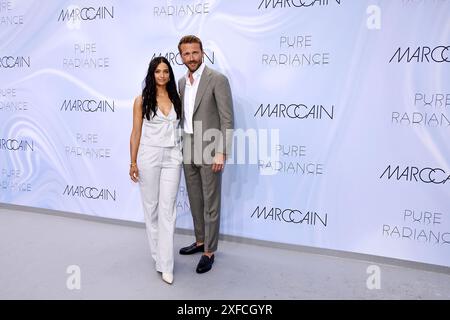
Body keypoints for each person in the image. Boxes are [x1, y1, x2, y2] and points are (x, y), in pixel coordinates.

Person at [177, 35, 234, 274]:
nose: (191, 58)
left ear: (203, 53)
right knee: (196, 201)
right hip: (187, 147)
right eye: (186, 54)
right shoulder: (181, 83)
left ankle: (209, 251)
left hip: (211, 149)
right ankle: (200, 241)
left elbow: (227, 118)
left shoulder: (217, 80)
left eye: (195, 53)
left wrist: (222, 151)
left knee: (211, 203)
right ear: (181, 57)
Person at [129, 56, 182, 284]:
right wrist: (132, 162)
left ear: (169, 75)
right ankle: (157, 256)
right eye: (158, 71)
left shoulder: (176, 98)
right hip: (149, 156)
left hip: (173, 157)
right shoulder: (141, 100)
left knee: (168, 209)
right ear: (152, 74)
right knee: (151, 209)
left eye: (166, 71)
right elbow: (136, 133)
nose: (162, 75)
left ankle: (166, 263)